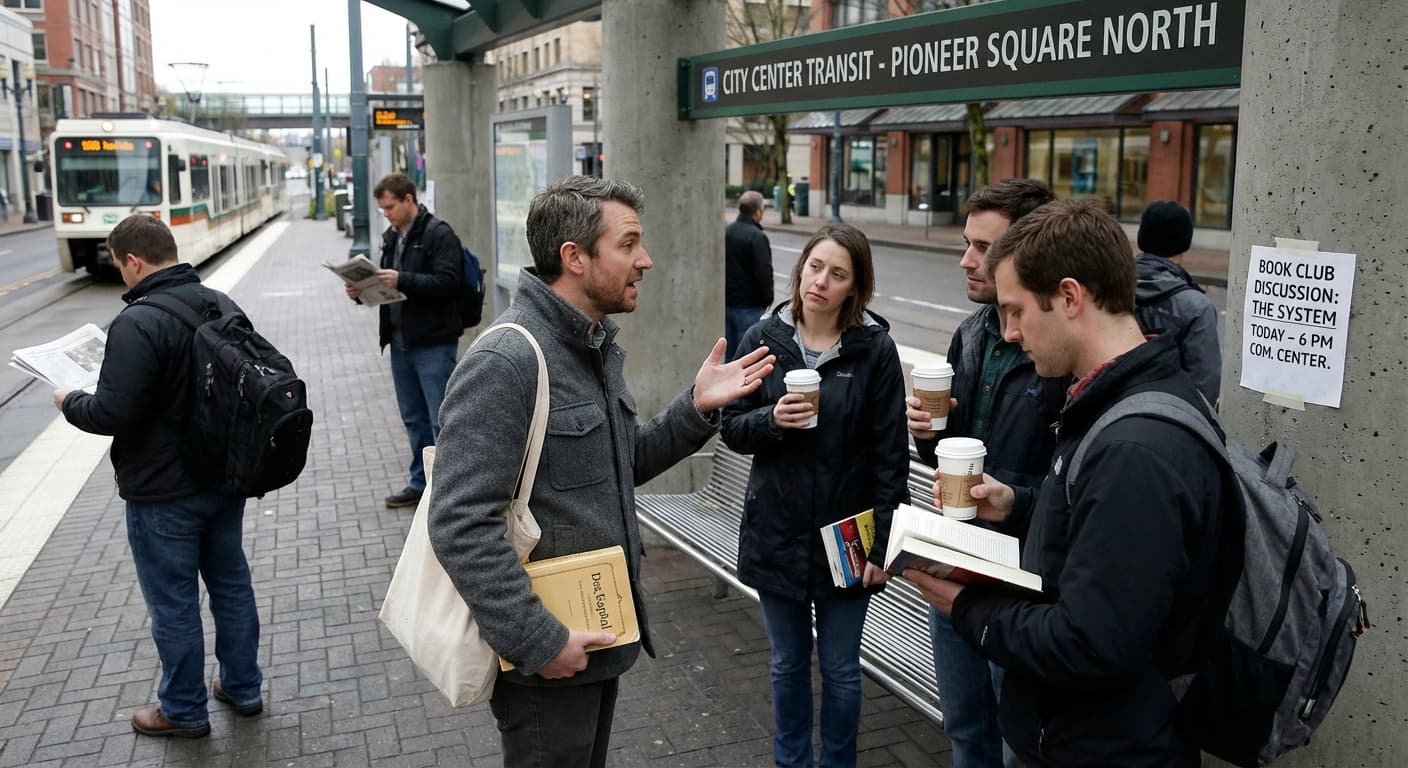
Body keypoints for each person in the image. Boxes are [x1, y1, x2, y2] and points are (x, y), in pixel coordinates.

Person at [425, 175, 776, 768]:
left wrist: (696, 407)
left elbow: (623, 462)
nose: (646, 260)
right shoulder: (506, 361)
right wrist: (539, 641)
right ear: (575, 257)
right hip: (547, 656)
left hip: (593, 638)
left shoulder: (589, 346)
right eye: (629, 243)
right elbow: (459, 523)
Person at [906, 199, 1229, 767]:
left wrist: (965, 607)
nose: (1008, 332)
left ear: (1071, 297)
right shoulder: (1109, 404)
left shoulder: (1135, 449)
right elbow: (1096, 542)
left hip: (1103, 746)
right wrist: (1020, 505)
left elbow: (1089, 644)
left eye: (1017, 311)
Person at [54, 214, 263, 738]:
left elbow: (110, 414)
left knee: (173, 603)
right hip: (223, 478)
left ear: (133, 261)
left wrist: (69, 400)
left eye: (120, 267)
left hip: (162, 492)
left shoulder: (138, 322)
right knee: (231, 585)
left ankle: (184, 710)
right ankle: (243, 687)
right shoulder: (221, 303)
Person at [722, 223, 909, 768]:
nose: (821, 282)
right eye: (815, 267)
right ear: (800, 267)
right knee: (786, 664)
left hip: (847, 535)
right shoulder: (763, 340)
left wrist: (883, 546)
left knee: (842, 669)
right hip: (776, 529)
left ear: (855, 287)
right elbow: (730, 426)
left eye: (838, 274)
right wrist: (771, 420)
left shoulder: (874, 350)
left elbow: (890, 455)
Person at [905, 179, 1065, 768]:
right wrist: (930, 435)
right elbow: (953, 451)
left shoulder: (1056, 346)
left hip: (1024, 582)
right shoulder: (972, 331)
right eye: (967, 243)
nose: (966, 260)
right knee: (967, 727)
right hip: (959, 560)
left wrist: (1017, 500)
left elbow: (1083, 487)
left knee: (1018, 737)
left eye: (984, 248)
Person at [346, 172, 463, 509]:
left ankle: (448, 491)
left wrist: (403, 279)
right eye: (383, 209)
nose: (387, 214)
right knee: (413, 417)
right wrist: (360, 292)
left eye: (390, 207)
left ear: (409, 200)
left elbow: (448, 282)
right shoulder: (392, 237)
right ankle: (421, 483)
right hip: (400, 343)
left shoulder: (438, 234)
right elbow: (388, 289)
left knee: (440, 418)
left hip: (433, 343)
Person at [1134, 200, 1222, 405]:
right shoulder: (1196, 307)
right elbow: (1205, 386)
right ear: (1184, 243)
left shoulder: (1112, 285)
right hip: (1171, 419)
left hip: (1111, 416)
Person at [725, 189, 774, 360]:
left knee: (730, 355)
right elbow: (763, 273)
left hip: (728, 304)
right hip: (750, 307)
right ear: (758, 212)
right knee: (749, 357)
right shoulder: (757, 237)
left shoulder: (727, 231)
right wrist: (767, 299)